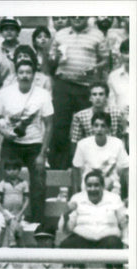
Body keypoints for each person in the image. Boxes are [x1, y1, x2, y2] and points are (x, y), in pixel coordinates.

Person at [0, 59, 53, 232]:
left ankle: (38, 224)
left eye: (28, 72)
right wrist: (4, 133)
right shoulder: (5, 93)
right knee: (5, 184)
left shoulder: (42, 94)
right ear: (16, 74)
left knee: (39, 182)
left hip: (34, 144)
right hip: (11, 143)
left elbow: (49, 125)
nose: (25, 76)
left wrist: (42, 153)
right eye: (21, 72)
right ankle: (4, 222)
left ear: (34, 75)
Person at [48, 16, 109, 170]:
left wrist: (96, 68)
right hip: (63, 85)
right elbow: (51, 59)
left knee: (88, 125)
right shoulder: (61, 34)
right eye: (73, 15)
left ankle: (89, 166)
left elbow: (106, 60)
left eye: (80, 15)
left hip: (86, 87)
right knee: (60, 126)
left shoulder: (97, 34)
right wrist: (55, 58)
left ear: (87, 16)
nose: (76, 18)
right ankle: (60, 168)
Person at [59, 170, 128, 269]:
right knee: (67, 244)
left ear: (102, 186)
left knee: (115, 244)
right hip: (83, 238)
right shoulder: (77, 198)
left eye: (96, 185)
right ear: (85, 186)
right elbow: (67, 229)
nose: (92, 189)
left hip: (108, 239)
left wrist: (127, 241)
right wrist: (65, 214)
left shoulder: (114, 199)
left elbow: (124, 224)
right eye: (89, 186)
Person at [72, 112, 129, 197]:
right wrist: (76, 195)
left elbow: (126, 170)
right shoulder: (82, 144)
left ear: (108, 128)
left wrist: (128, 196)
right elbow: (76, 169)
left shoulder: (117, 144)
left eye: (103, 126)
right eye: (96, 125)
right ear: (92, 127)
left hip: (112, 190)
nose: (99, 129)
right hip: (88, 190)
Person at [70, 83, 129, 152]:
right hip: (91, 154)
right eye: (94, 94)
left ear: (106, 97)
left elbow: (123, 137)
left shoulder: (117, 113)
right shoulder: (80, 116)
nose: (97, 97)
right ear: (90, 98)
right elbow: (75, 142)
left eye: (101, 94)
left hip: (113, 153)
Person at [0, 158, 30, 248]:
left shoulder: (24, 183)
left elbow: (27, 200)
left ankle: (13, 249)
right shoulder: (3, 183)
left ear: (19, 170)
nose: (11, 172)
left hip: (18, 213)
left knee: (14, 227)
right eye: (9, 169)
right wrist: (4, 213)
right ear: (5, 170)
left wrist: (20, 214)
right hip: (5, 212)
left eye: (14, 169)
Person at [107, 40, 129, 114]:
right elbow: (111, 103)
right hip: (120, 120)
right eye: (126, 53)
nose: (129, 56)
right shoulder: (113, 77)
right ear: (121, 55)